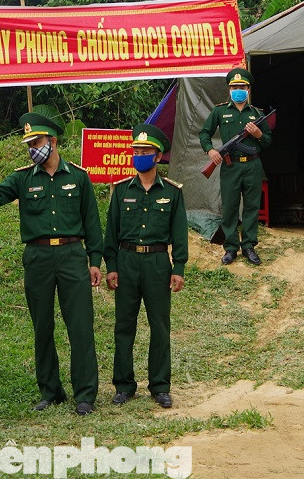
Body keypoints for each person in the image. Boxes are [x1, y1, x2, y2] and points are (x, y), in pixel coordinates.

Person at [0, 109, 103, 415]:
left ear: (53, 141)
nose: (33, 148)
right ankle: (50, 391)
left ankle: (85, 394)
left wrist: (95, 260)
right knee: (42, 325)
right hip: (38, 257)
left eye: (38, 141)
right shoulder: (21, 178)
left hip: (72, 255)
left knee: (80, 326)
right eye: (29, 143)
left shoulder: (79, 178)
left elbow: (93, 223)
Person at [104, 125, 188, 409]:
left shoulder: (173, 193)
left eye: (145, 152)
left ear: (157, 155)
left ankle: (160, 386)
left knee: (160, 326)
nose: (139, 156)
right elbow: (111, 233)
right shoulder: (121, 190)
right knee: (124, 326)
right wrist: (111, 266)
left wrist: (179, 268)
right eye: (136, 152)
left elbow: (179, 233)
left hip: (157, 264)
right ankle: (124, 385)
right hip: (127, 263)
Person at [199, 67, 273, 265]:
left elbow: (267, 141)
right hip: (230, 167)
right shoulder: (220, 111)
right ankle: (231, 248)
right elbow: (204, 133)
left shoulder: (257, 114)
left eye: (242, 86)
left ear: (248, 89)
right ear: (229, 90)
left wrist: (258, 134)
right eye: (234, 87)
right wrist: (211, 151)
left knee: (251, 206)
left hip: (252, 165)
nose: (238, 89)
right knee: (230, 207)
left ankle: (248, 246)